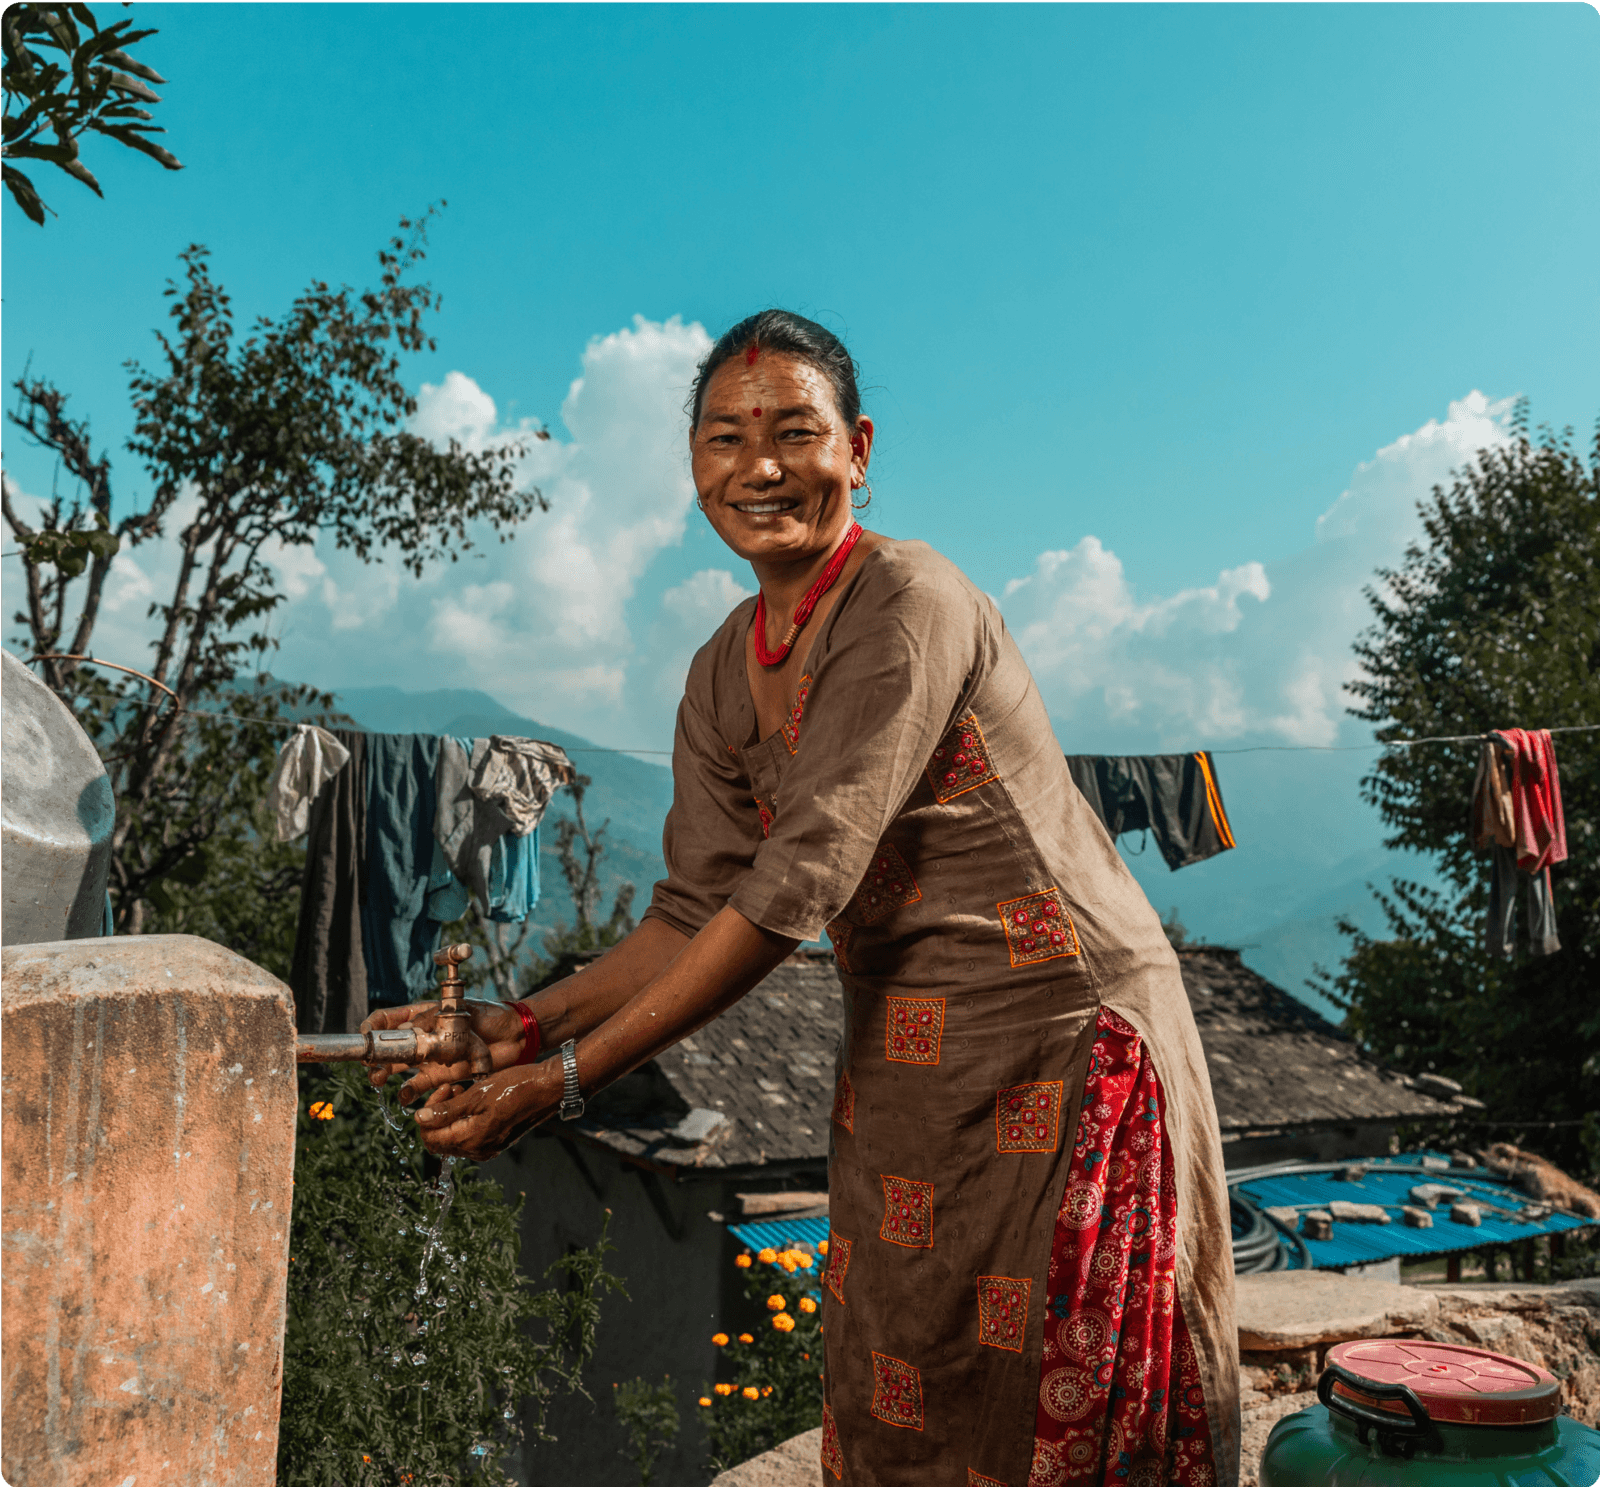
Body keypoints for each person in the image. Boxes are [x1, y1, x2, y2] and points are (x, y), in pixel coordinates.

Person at [363, 310, 1239, 1486]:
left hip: (1060, 1031)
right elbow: (689, 909)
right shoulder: (725, 667)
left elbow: (792, 892)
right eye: (724, 437)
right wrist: (516, 1024)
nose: (758, 467)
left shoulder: (906, 601)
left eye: (794, 431)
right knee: (905, 1360)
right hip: (906, 1053)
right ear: (691, 465)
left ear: (858, 448)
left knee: (1054, 1385)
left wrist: (563, 1079)